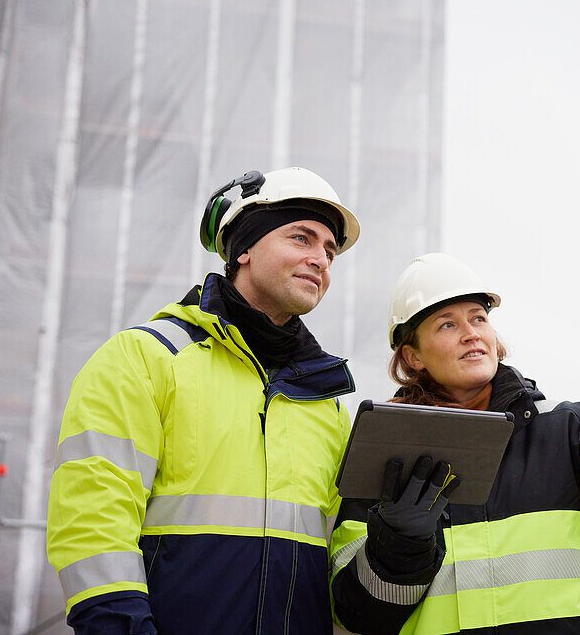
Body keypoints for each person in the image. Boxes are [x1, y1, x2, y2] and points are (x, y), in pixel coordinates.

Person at [47, 167, 363, 634]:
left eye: (329, 250)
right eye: (302, 238)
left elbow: (342, 554)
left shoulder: (330, 403)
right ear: (245, 250)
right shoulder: (145, 357)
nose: (321, 258)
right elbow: (94, 515)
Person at [329, 253, 580, 635]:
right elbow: (357, 617)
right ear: (413, 357)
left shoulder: (567, 434)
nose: (471, 333)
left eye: (479, 318)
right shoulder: (379, 455)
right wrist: (397, 546)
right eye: (447, 324)